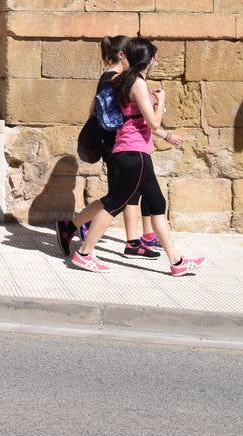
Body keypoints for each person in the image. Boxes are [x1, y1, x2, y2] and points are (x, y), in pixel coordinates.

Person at [57, 37, 205, 276]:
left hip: (136, 151)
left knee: (157, 203)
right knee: (114, 203)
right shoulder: (136, 82)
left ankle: (176, 262)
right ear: (149, 60)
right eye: (155, 57)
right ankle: (84, 253)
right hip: (132, 152)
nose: (157, 61)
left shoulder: (128, 80)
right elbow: (153, 122)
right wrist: (161, 102)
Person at [85, 35, 159, 259]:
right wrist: (156, 104)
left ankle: (140, 239)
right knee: (119, 199)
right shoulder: (118, 79)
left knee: (135, 196)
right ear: (122, 55)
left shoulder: (114, 78)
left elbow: (92, 110)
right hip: (121, 145)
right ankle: (82, 238)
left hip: (123, 144)